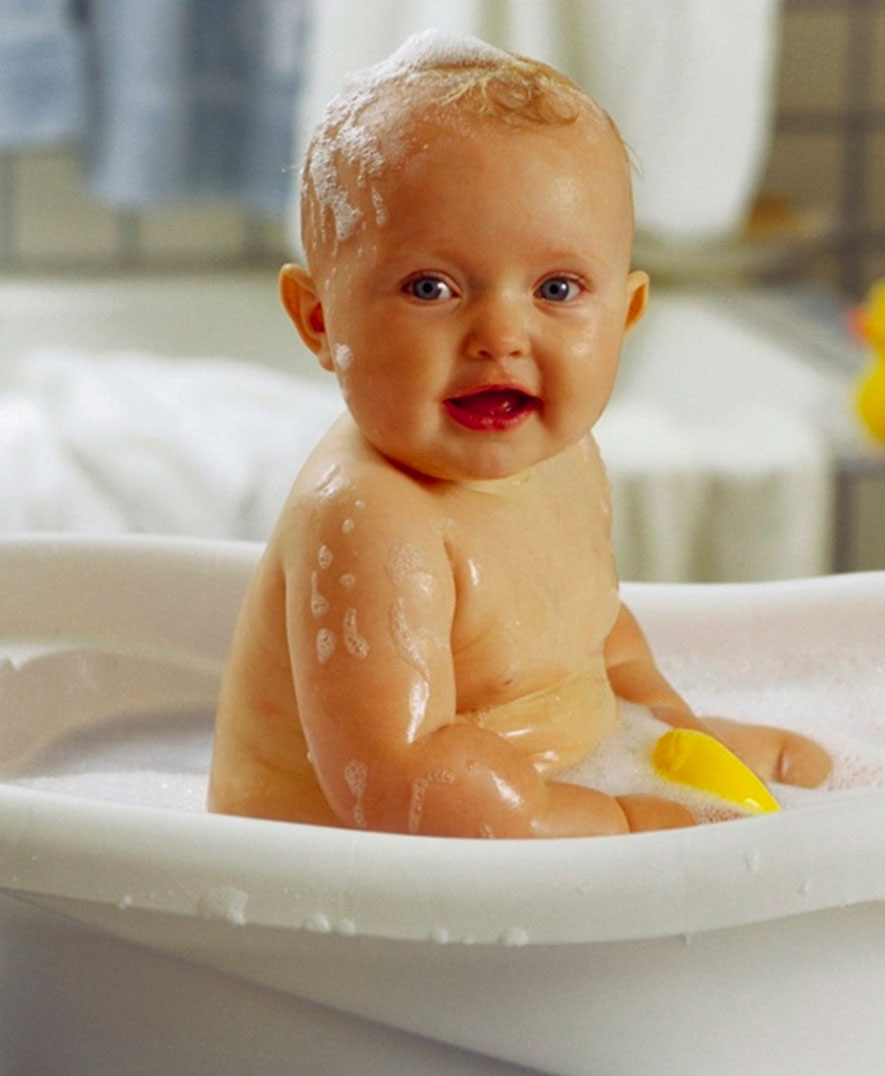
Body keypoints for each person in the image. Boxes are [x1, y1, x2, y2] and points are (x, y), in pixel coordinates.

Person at [208, 30, 829, 838]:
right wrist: (618, 821)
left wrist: (668, 724)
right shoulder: (370, 520)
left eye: (557, 288)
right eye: (431, 287)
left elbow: (598, 631)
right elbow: (397, 780)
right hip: (339, 882)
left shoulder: (565, 457)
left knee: (806, 767)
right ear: (320, 320)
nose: (501, 334)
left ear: (626, 318)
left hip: (541, 791)